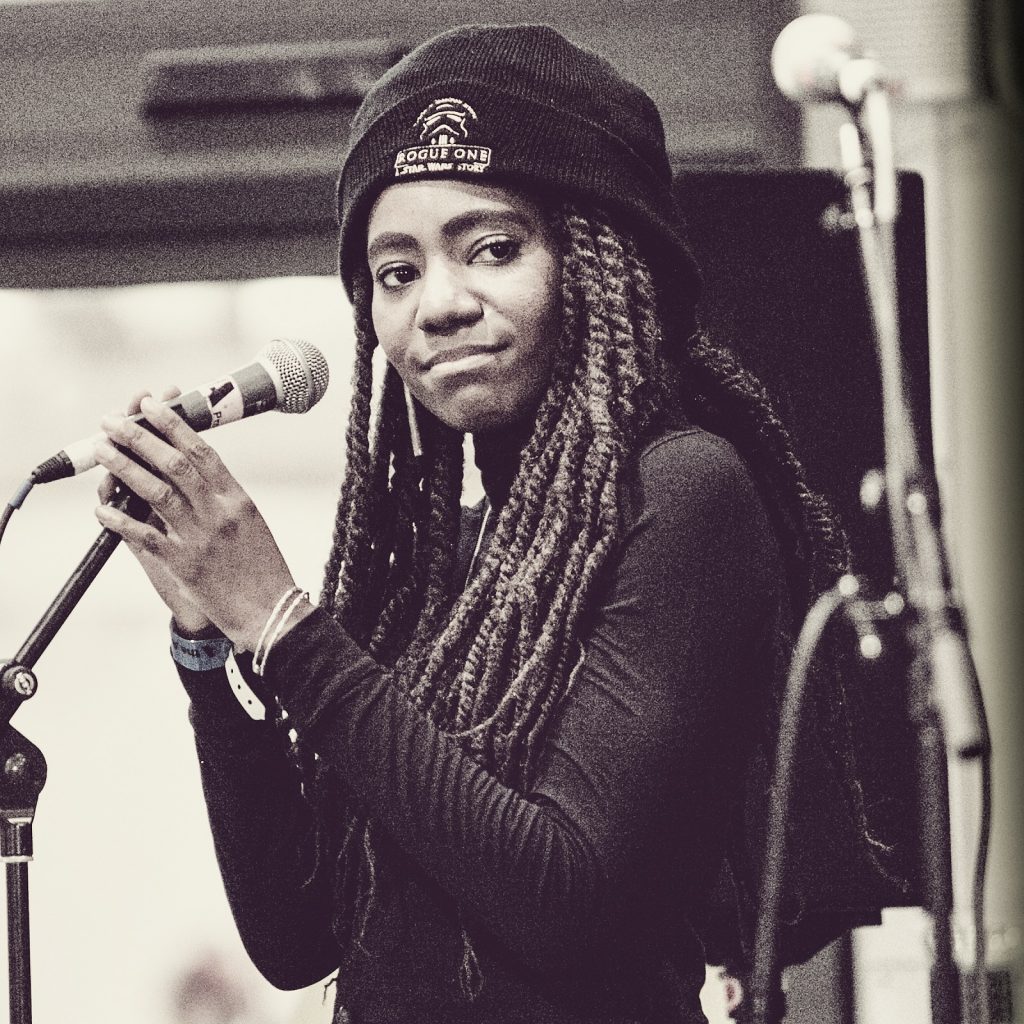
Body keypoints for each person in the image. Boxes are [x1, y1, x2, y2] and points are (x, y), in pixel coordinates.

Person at [92, 23, 883, 1024]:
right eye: (396, 272)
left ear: (595, 264)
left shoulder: (683, 493)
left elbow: (560, 897)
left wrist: (284, 622)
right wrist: (206, 641)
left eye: (493, 249)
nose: (440, 303)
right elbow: (295, 939)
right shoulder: (437, 567)